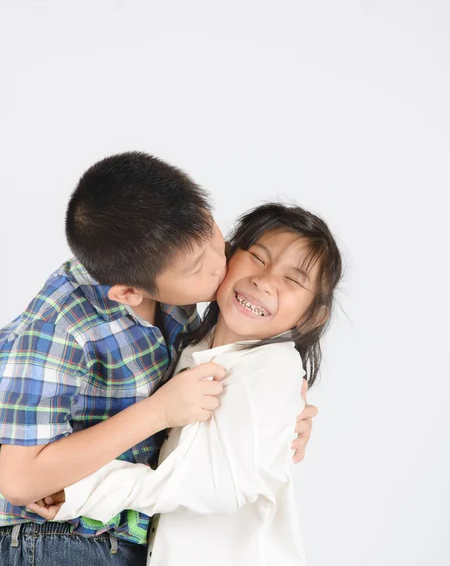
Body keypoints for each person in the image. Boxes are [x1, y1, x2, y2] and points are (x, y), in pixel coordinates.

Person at [0, 153, 317, 566]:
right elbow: (19, 479)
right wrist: (159, 412)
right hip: (54, 538)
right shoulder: (61, 325)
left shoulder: (176, 290)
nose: (220, 263)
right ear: (129, 292)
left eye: (211, 235)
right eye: (196, 267)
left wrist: (273, 423)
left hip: (124, 535)